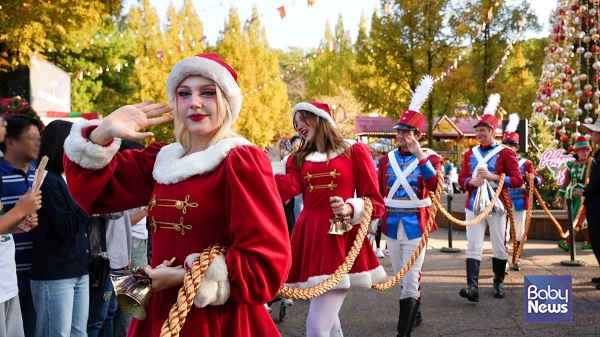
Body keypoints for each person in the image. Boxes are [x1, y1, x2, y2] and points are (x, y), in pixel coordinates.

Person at [63, 53, 291, 336]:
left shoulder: (240, 160)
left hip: (217, 319)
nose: (194, 102)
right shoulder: (161, 159)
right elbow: (92, 193)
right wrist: (103, 133)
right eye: (184, 94)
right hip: (159, 311)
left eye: (207, 92)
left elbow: (265, 264)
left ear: (227, 102)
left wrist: (184, 277)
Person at [267, 101, 385, 337]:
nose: (299, 125)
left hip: (338, 235)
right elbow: (283, 192)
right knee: (329, 324)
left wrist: (351, 208)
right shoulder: (298, 158)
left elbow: (376, 202)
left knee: (316, 327)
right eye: (296, 122)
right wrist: (275, 164)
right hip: (308, 234)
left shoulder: (353, 151)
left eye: (303, 119)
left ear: (320, 119)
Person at [376, 75, 441, 336]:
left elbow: (434, 185)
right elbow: (379, 192)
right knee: (403, 277)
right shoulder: (385, 160)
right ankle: (416, 312)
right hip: (392, 225)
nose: (400, 135)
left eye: (406, 132)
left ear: (417, 135)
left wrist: (420, 156)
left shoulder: (432, 158)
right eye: (399, 131)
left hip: (418, 224)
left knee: (412, 277)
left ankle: (403, 333)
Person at [457, 94, 523, 302]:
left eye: (482, 131)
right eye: (477, 131)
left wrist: (494, 177)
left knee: (498, 244)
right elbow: (461, 179)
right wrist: (470, 182)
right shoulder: (469, 154)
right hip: (473, 204)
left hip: (498, 205)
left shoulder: (505, 153)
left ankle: (498, 282)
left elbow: (518, 179)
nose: (479, 134)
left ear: (492, 132)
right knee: (473, 245)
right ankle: (472, 287)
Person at [30, 120, 91, 337]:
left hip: (77, 268)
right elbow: (67, 227)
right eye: (74, 143)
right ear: (61, 145)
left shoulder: (65, 179)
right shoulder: (48, 180)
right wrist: (88, 201)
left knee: (78, 333)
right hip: (55, 272)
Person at [0, 114, 44, 337]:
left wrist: (18, 225)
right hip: (10, 271)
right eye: (31, 137)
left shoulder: (38, 171)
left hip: (28, 271)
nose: (37, 143)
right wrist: (19, 210)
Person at [501, 114, 543, 271]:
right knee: (502, 233)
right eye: (506, 144)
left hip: (519, 201)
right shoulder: (498, 160)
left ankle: (516, 258)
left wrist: (531, 178)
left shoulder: (526, 163)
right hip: (502, 201)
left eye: (511, 145)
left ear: (517, 147)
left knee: (518, 232)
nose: (508, 147)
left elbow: (539, 180)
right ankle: (502, 260)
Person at [556, 136, 593, 251]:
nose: (585, 153)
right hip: (573, 196)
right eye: (582, 150)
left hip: (586, 195)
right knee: (580, 219)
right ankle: (590, 241)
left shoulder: (592, 164)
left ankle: (568, 242)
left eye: (587, 150)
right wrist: (560, 196)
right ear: (576, 151)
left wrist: (586, 191)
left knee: (577, 218)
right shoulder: (571, 165)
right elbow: (566, 182)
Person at [580, 121, 600, 290]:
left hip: (598, 202)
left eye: (594, 132)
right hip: (595, 204)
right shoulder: (598, 154)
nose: (591, 135)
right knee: (596, 239)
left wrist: (584, 192)